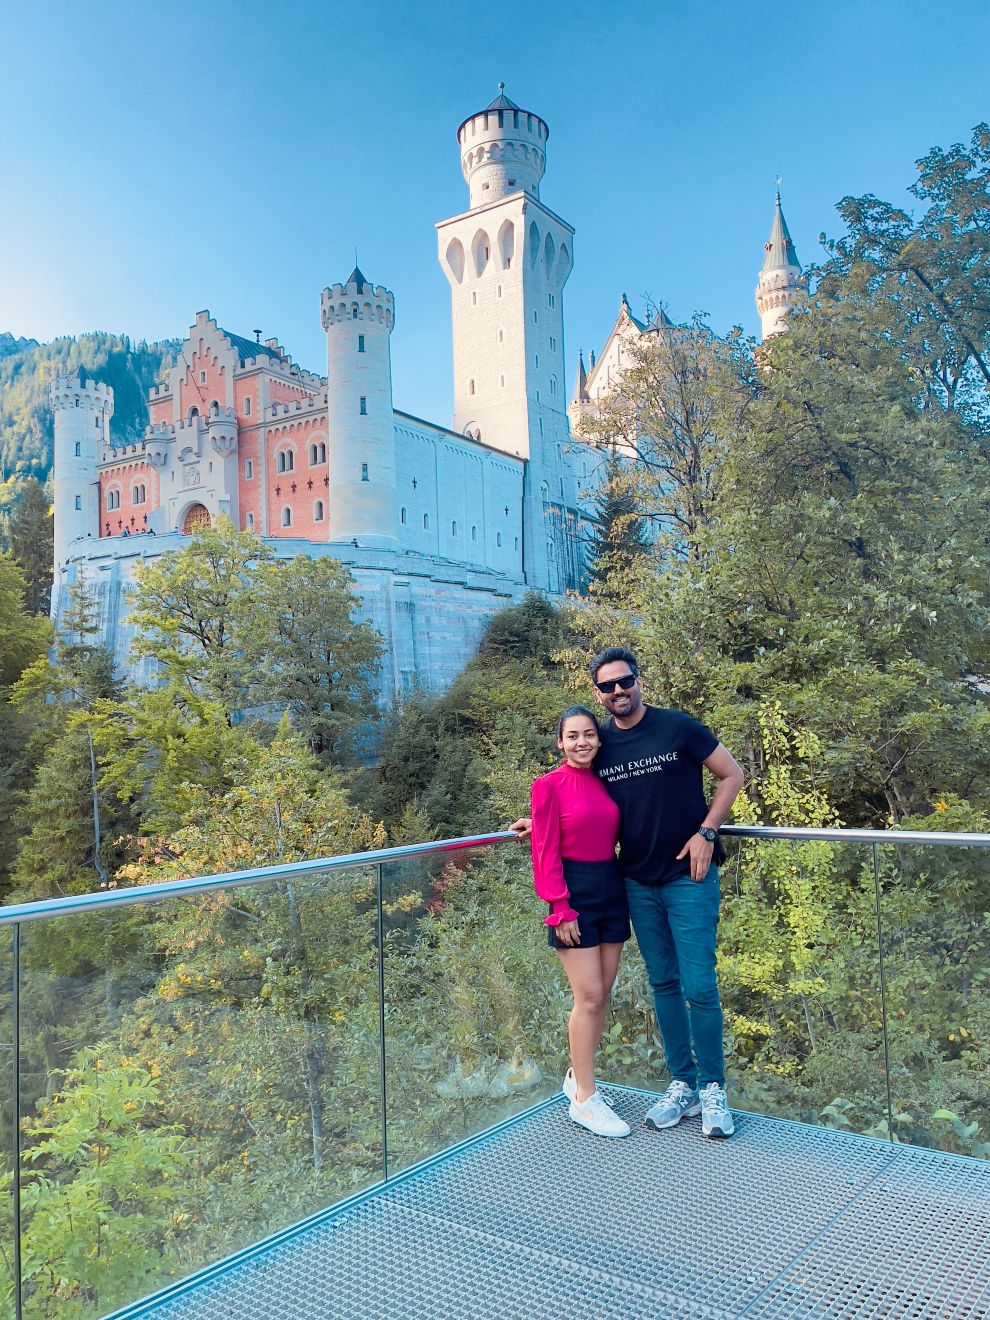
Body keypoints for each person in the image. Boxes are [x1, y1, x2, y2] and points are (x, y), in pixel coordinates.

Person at [515, 647, 744, 1139]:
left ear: (639, 681)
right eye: (607, 686)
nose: (617, 691)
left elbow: (732, 774)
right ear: (598, 693)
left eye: (625, 681)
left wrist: (707, 832)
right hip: (635, 882)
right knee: (661, 983)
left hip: (687, 877)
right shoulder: (603, 750)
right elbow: (568, 798)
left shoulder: (678, 727)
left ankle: (713, 1090)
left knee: (699, 986)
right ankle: (681, 1083)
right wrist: (536, 824)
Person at [531, 706, 631, 1138]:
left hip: (613, 884)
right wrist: (559, 906)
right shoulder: (547, 786)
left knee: (602, 993)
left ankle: (578, 1077)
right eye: (572, 736)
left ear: (598, 739)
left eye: (589, 734)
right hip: (574, 891)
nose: (582, 742)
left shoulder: (608, 780)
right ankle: (585, 1101)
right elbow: (546, 850)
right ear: (560, 742)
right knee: (588, 996)